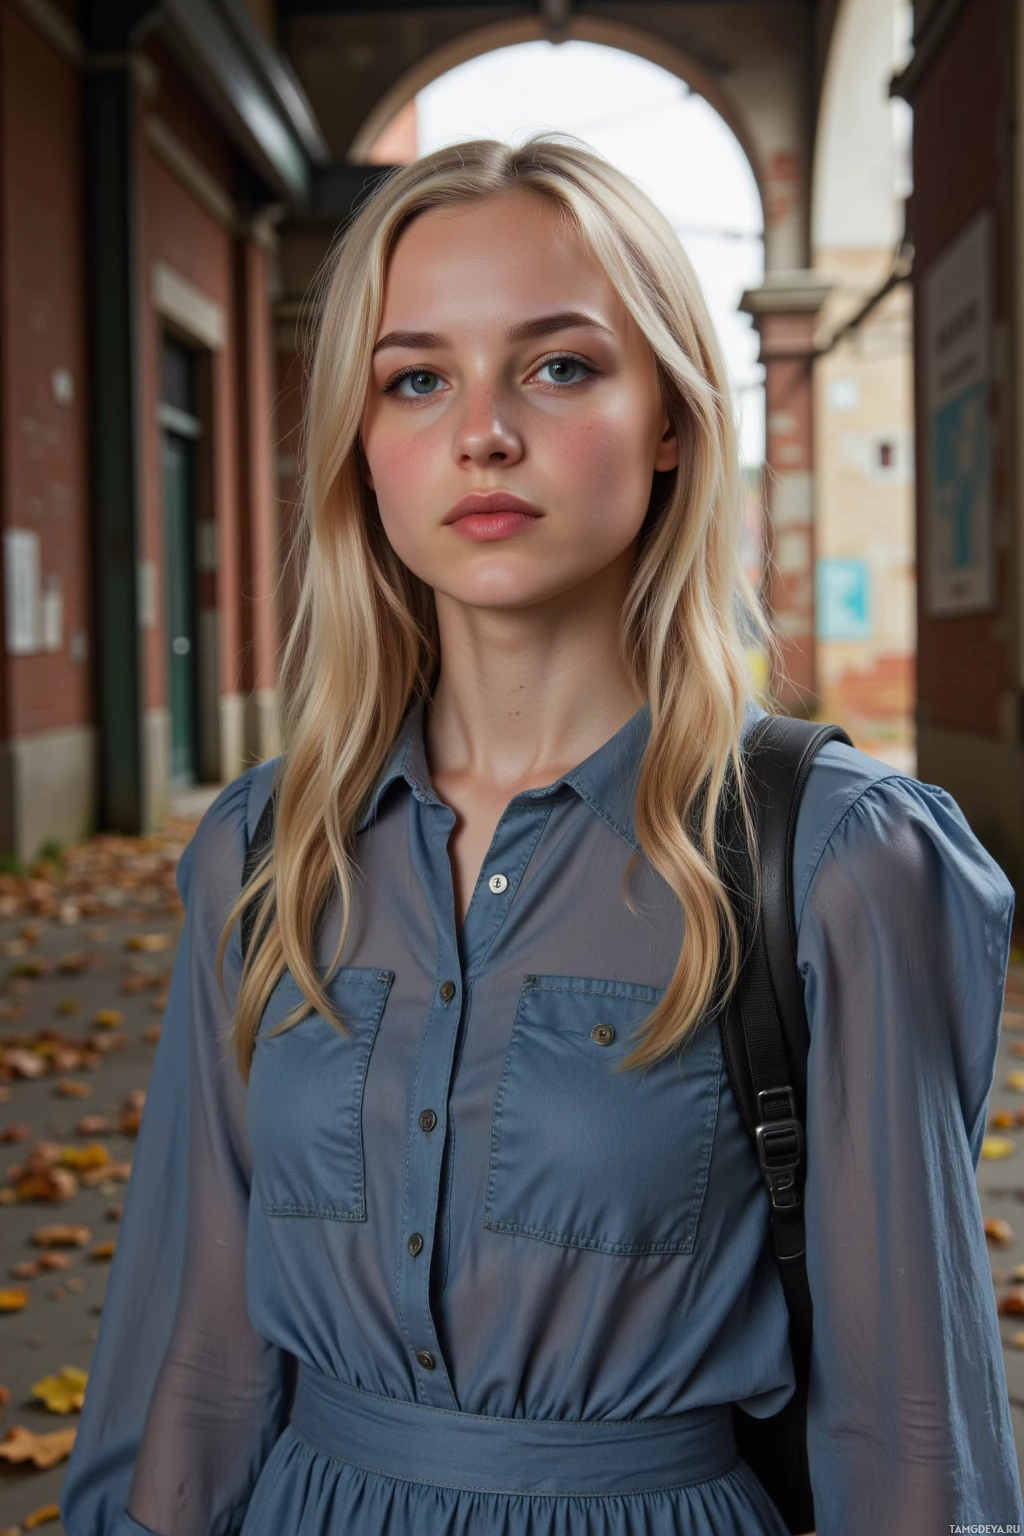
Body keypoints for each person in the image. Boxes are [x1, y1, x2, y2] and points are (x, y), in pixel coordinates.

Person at [62, 134, 1021, 1536]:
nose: (483, 432)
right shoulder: (265, 852)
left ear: (674, 419)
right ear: (365, 448)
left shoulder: (835, 861)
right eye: (417, 378)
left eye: (560, 366)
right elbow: (192, 1357)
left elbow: (912, 1443)